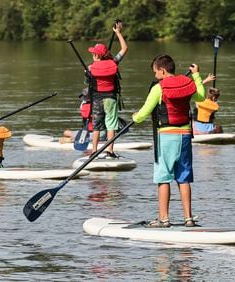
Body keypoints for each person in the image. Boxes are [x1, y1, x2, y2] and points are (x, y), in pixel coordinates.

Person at [132, 55, 206, 227]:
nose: (155, 76)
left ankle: (163, 219)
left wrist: (135, 118)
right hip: (186, 135)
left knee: (163, 177)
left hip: (166, 136)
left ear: (162, 70)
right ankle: (188, 218)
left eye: (156, 72)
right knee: (184, 177)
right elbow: (201, 96)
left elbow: (144, 113)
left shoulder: (159, 88)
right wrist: (196, 75)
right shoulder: (188, 84)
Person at [86, 21, 127, 159]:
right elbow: (124, 48)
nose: (93, 55)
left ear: (97, 56)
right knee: (111, 125)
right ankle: (110, 151)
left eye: (94, 54)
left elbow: (88, 82)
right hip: (111, 99)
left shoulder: (91, 68)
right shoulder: (113, 62)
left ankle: (94, 151)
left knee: (96, 126)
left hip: (97, 100)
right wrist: (118, 33)